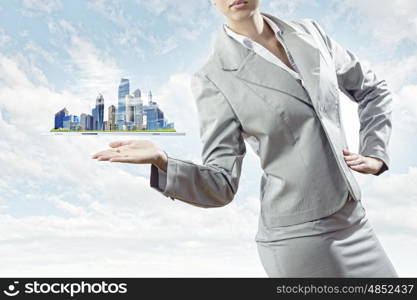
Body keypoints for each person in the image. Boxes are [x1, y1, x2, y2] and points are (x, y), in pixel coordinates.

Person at [92, 0, 398, 277]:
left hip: (355, 218)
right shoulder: (212, 77)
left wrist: (375, 151)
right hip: (301, 237)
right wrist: (163, 161)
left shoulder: (310, 32)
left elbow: (374, 90)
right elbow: (221, 183)